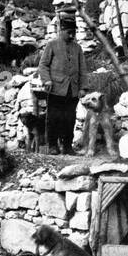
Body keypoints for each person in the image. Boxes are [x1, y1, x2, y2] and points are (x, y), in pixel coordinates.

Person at [38, 16, 88, 155]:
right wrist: (47, 80)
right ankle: (53, 146)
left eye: (74, 32)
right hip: (55, 90)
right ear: (61, 30)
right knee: (53, 118)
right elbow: (43, 65)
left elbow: (83, 69)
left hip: (72, 91)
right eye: (69, 32)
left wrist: (83, 87)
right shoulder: (52, 45)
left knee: (70, 119)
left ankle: (67, 146)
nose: (72, 35)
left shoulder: (77, 48)